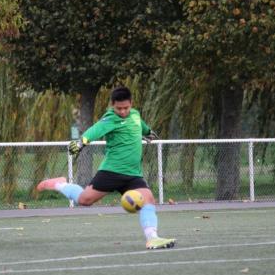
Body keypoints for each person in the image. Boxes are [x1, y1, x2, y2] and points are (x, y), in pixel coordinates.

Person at [37, 87, 176, 249]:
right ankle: (59, 183)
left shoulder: (135, 115)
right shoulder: (110, 118)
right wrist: (82, 142)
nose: (123, 111)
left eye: (126, 108)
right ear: (112, 106)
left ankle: (152, 238)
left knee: (148, 200)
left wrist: (148, 132)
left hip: (133, 174)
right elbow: (95, 130)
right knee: (84, 200)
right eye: (119, 108)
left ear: (131, 104)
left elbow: (141, 126)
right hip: (112, 171)